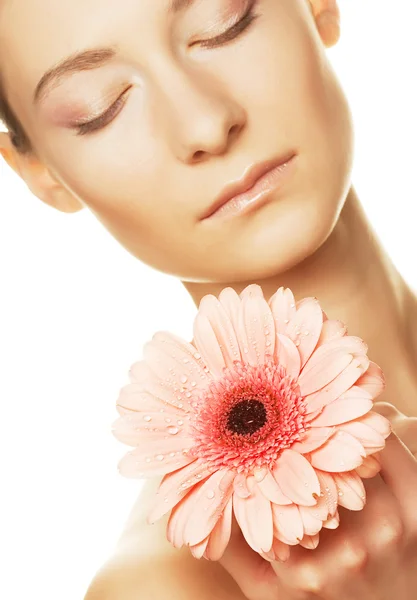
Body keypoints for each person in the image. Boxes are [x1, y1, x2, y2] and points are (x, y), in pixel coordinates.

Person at [1, 0, 416, 598]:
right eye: (102, 109)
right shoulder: (166, 588)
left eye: (227, 22)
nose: (204, 124)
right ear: (40, 173)